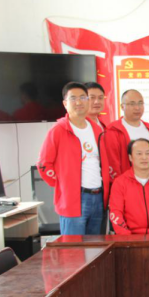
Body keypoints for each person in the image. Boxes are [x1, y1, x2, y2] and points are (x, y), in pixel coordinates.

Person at [37, 82, 110, 235]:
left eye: (83, 97)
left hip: (98, 197)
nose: (78, 102)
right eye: (73, 98)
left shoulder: (97, 130)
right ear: (65, 104)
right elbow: (43, 165)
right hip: (74, 199)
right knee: (73, 247)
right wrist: (63, 185)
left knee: (96, 247)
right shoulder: (58, 130)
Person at [104, 89, 149, 183]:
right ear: (122, 106)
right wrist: (120, 186)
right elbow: (112, 163)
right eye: (132, 104)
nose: (137, 108)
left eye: (140, 103)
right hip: (127, 186)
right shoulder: (113, 130)